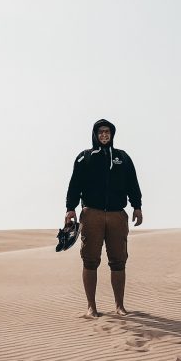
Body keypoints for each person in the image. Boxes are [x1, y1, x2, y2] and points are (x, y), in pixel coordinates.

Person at [65, 119, 143, 318]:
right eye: (100, 132)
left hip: (117, 215)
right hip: (92, 214)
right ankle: (91, 307)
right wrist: (70, 209)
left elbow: (132, 182)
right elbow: (75, 184)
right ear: (95, 135)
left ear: (112, 134)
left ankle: (120, 306)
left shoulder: (122, 158)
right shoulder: (85, 157)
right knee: (90, 260)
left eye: (107, 132)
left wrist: (137, 206)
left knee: (119, 261)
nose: (104, 135)